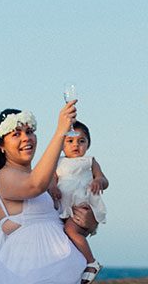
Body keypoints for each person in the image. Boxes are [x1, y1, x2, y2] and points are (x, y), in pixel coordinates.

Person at [0, 101, 99, 284]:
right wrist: (61, 132)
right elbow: (35, 185)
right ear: (1, 146)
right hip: (29, 273)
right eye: (16, 134)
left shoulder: (45, 181)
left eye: (29, 132)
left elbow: (64, 221)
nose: (26, 138)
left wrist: (89, 223)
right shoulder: (4, 177)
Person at [49, 121, 108, 284]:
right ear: (61, 145)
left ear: (88, 144)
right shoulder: (57, 162)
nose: (76, 145)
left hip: (83, 205)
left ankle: (91, 262)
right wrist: (53, 187)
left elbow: (103, 179)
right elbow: (52, 180)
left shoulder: (90, 161)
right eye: (70, 141)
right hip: (65, 206)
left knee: (71, 230)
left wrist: (99, 182)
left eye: (81, 141)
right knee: (65, 236)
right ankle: (78, 266)